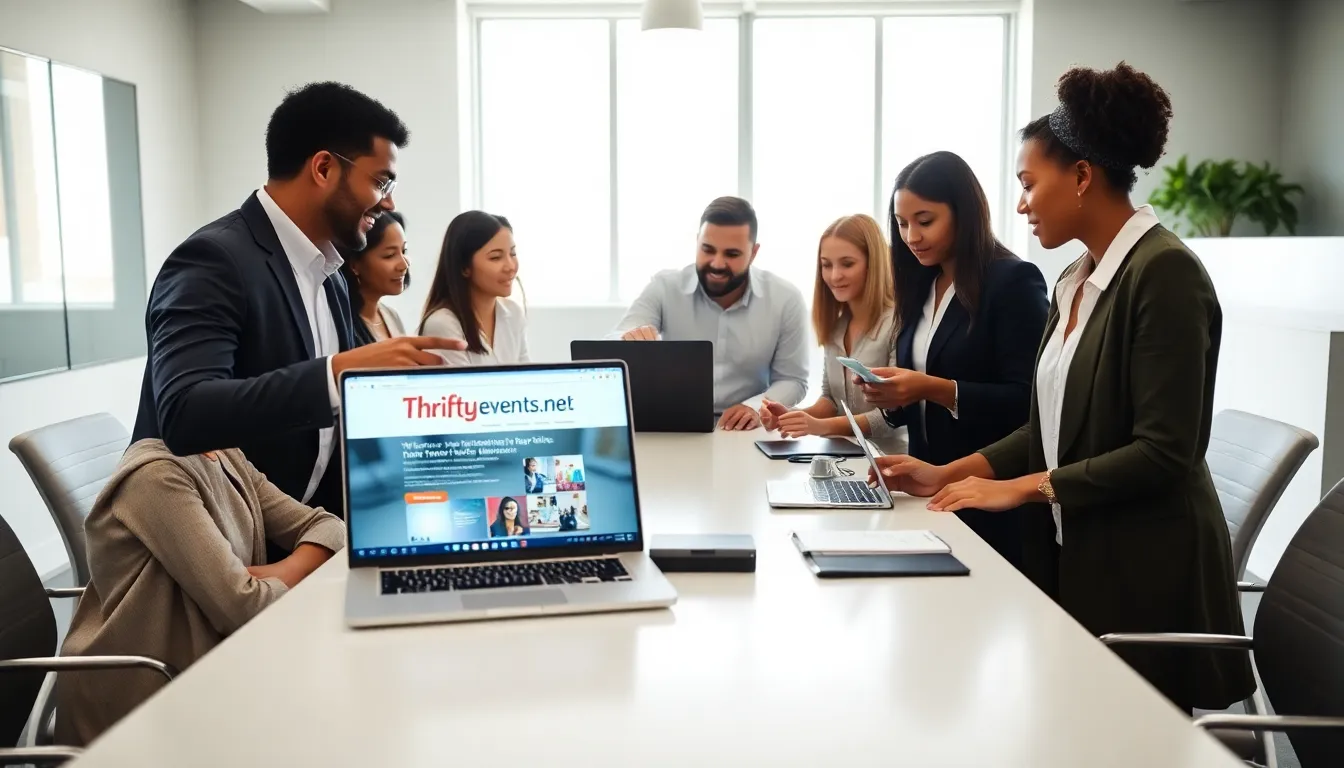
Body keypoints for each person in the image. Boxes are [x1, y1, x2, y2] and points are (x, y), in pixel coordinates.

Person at [872, 63, 1255, 714]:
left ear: (1081, 176)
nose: (1020, 203)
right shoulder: (1076, 279)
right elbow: (1045, 425)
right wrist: (946, 474)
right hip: (1075, 553)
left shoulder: (1165, 274)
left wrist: (1019, 488)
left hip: (1140, 571)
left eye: (1028, 183)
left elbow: (1165, 452)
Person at [131, 82, 466, 523]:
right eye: (381, 181)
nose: (389, 201)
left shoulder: (331, 274)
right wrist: (340, 373)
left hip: (309, 527)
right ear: (324, 168)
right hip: (228, 545)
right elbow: (187, 412)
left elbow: (324, 444)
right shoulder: (213, 259)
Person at [54, 439, 344, 746]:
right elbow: (244, 609)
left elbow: (329, 526)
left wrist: (279, 572)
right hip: (147, 694)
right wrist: (251, 588)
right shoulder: (157, 476)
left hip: (210, 664)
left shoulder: (225, 453)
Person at [856, 151, 1048, 568]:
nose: (911, 236)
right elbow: (920, 402)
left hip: (992, 501)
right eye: (902, 223)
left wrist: (932, 388)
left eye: (925, 221)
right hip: (928, 492)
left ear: (964, 214)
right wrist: (893, 397)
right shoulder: (921, 284)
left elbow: (1030, 404)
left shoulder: (1012, 281)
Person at [612, 196, 809, 430]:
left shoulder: (785, 298)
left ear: (754, 253)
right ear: (697, 242)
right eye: (707, 249)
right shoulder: (665, 287)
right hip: (673, 426)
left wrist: (755, 407)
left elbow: (793, 379)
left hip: (743, 431)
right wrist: (627, 339)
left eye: (732, 254)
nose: (717, 263)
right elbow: (614, 341)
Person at [758, 214, 906, 454]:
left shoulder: (898, 323)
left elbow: (890, 417)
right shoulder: (837, 326)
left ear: (873, 264)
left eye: (847, 264)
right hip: (846, 455)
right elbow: (830, 400)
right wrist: (792, 416)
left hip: (890, 460)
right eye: (826, 265)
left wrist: (819, 427)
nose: (834, 276)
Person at [420, 211, 528, 365]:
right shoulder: (443, 323)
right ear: (465, 267)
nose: (510, 266)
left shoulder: (514, 313)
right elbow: (460, 387)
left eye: (513, 253)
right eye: (495, 257)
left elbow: (527, 379)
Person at [338, 209, 410, 345]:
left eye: (404, 251)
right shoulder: (342, 321)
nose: (404, 264)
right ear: (354, 264)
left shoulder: (391, 315)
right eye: (389, 255)